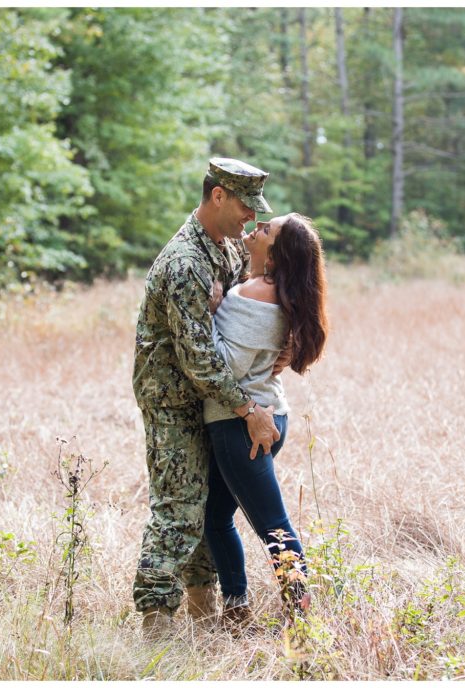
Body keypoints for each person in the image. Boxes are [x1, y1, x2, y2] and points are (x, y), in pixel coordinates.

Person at [131, 157, 283, 638]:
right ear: (218, 195)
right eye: (245, 206)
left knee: (207, 509)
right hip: (173, 399)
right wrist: (249, 410)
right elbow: (198, 357)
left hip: (209, 399)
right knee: (177, 507)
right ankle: (155, 628)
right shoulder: (186, 262)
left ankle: (205, 616)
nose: (251, 219)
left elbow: (245, 311)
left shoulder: (227, 250)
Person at [202, 212, 329, 630]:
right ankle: (237, 608)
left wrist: (212, 311)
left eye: (266, 230)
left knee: (273, 527)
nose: (255, 229)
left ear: (275, 253)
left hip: (242, 425)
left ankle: (302, 617)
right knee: (216, 517)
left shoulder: (252, 295)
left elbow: (225, 364)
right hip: (269, 415)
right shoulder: (282, 294)